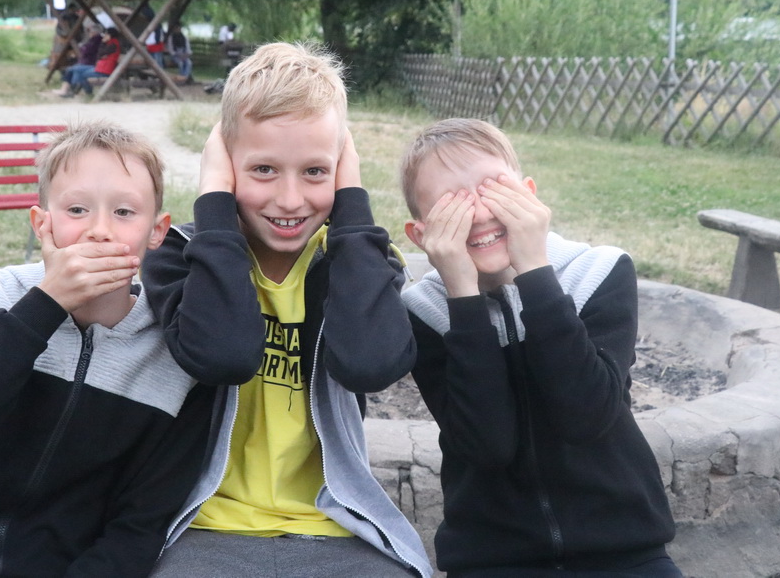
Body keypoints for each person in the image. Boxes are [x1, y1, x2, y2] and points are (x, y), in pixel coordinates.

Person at [0, 121, 213, 578]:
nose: (99, 231)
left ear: (157, 231)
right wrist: (45, 305)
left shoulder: (172, 350)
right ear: (41, 223)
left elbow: (140, 523)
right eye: (77, 209)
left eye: (124, 212)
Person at [141, 41, 432, 578]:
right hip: (202, 527)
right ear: (225, 164)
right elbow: (223, 354)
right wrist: (214, 204)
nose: (291, 199)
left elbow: (370, 364)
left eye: (316, 171)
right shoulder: (180, 256)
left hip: (337, 526)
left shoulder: (358, 262)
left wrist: (351, 205)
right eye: (264, 169)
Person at [399, 118, 681, 576]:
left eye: (493, 189)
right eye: (453, 204)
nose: (480, 214)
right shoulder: (424, 311)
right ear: (421, 235)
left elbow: (587, 416)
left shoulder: (599, 272)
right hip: (492, 558)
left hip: (625, 546)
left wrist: (533, 270)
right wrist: (463, 296)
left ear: (529, 195)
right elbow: (488, 445)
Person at [66, 26, 121, 97]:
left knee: (81, 74)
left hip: (104, 70)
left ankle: (88, 93)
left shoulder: (113, 44)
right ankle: (74, 92)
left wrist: (102, 43)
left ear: (110, 35)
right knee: (76, 69)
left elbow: (100, 53)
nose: (104, 36)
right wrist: (102, 55)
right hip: (100, 67)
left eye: (106, 34)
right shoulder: (110, 43)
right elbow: (100, 55)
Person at [52, 24, 102, 96]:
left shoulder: (96, 40)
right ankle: (68, 90)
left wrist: (82, 47)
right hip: (89, 62)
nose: (89, 33)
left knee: (73, 70)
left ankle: (69, 90)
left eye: (90, 31)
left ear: (94, 32)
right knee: (71, 69)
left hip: (90, 63)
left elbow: (86, 50)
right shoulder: (95, 40)